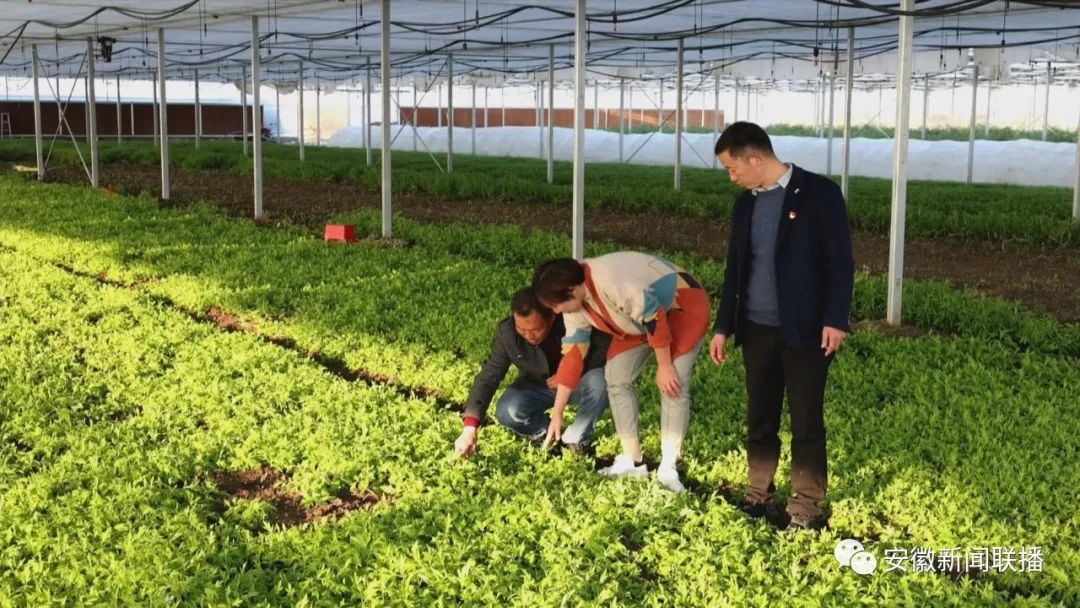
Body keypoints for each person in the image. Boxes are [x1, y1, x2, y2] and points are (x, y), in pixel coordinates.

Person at [709, 122, 855, 530]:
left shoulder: (819, 194)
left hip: (806, 330)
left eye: (732, 168)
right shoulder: (746, 205)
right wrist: (724, 325)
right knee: (760, 415)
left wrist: (835, 319)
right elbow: (735, 268)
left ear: (755, 158)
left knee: (806, 419)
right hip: (756, 327)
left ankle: (805, 507)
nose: (731, 177)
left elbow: (840, 262)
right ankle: (758, 495)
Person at [532, 253, 709, 493]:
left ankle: (668, 468)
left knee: (672, 384)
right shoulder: (574, 305)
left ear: (572, 291)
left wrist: (664, 366)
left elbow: (654, 315)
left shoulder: (610, 281)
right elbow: (573, 356)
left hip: (680, 306)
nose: (555, 311)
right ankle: (633, 461)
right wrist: (557, 414)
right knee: (616, 378)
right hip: (636, 322)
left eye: (555, 305)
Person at [454, 287, 611, 458]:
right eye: (522, 330)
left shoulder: (572, 320)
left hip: (577, 382)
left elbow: (602, 349)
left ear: (552, 316)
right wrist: (470, 427)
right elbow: (488, 376)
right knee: (507, 409)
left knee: (601, 381)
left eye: (536, 329)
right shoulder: (507, 334)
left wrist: (567, 375)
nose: (529, 336)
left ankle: (576, 438)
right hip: (538, 385)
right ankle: (547, 432)